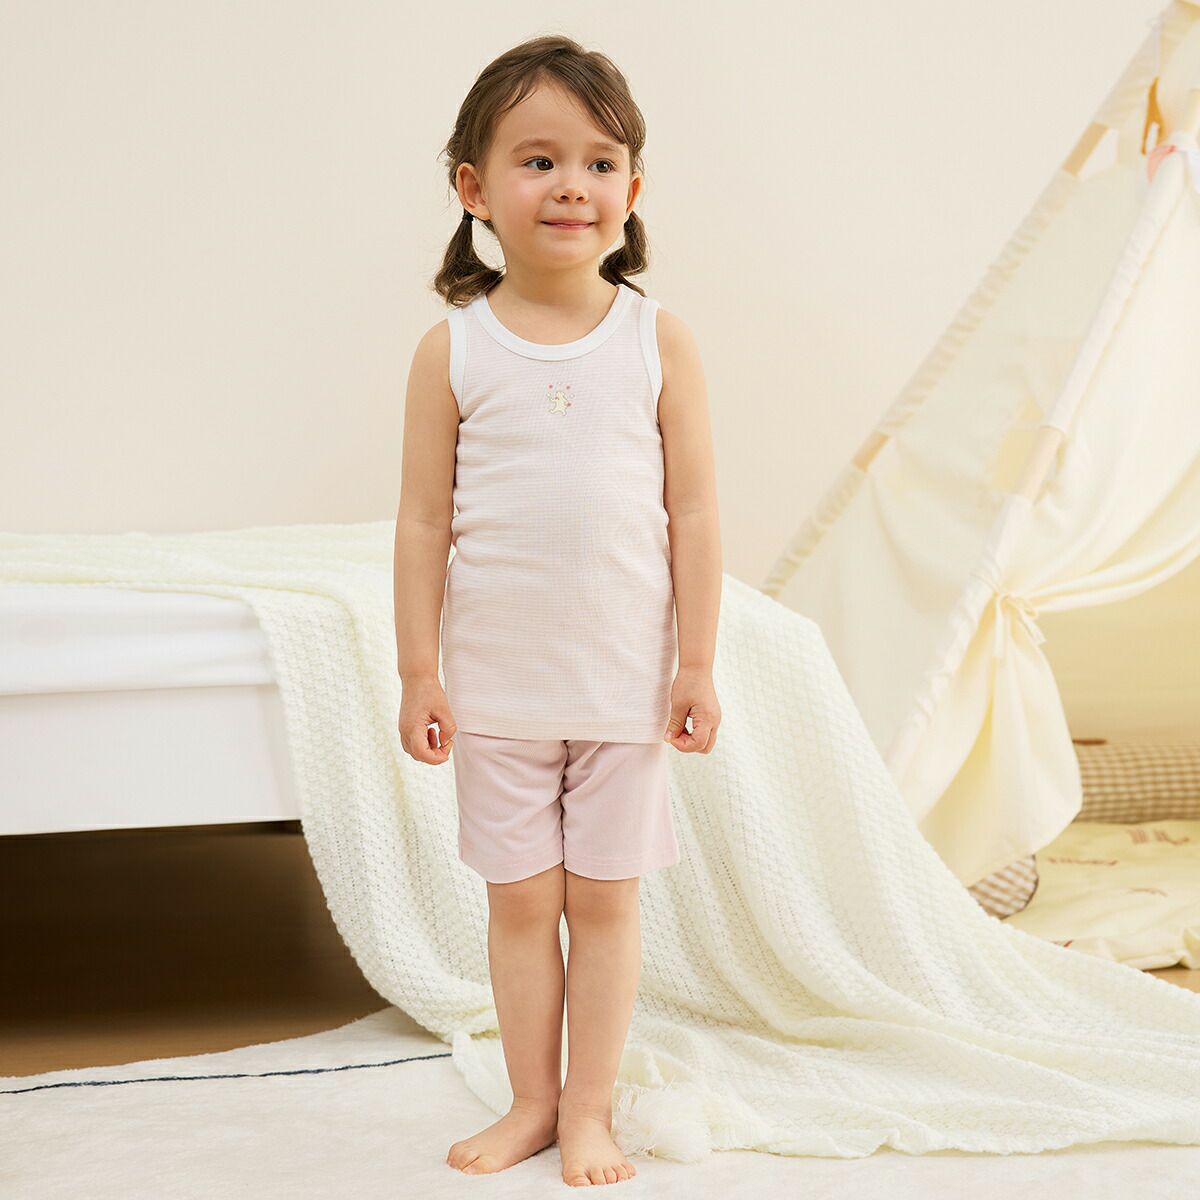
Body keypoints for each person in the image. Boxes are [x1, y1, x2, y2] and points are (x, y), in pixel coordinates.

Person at [393, 33, 722, 1188]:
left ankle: (592, 1110)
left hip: (624, 687)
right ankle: (532, 1102)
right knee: (524, 903)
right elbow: (421, 526)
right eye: (538, 161)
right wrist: (420, 672)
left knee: (605, 904)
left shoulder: (656, 338)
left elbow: (694, 513)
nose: (571, 185)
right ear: (475, 188)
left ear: (633, 189)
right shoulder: (453, 350)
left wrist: (696, 664)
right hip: (498, 691)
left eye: (598, 162)